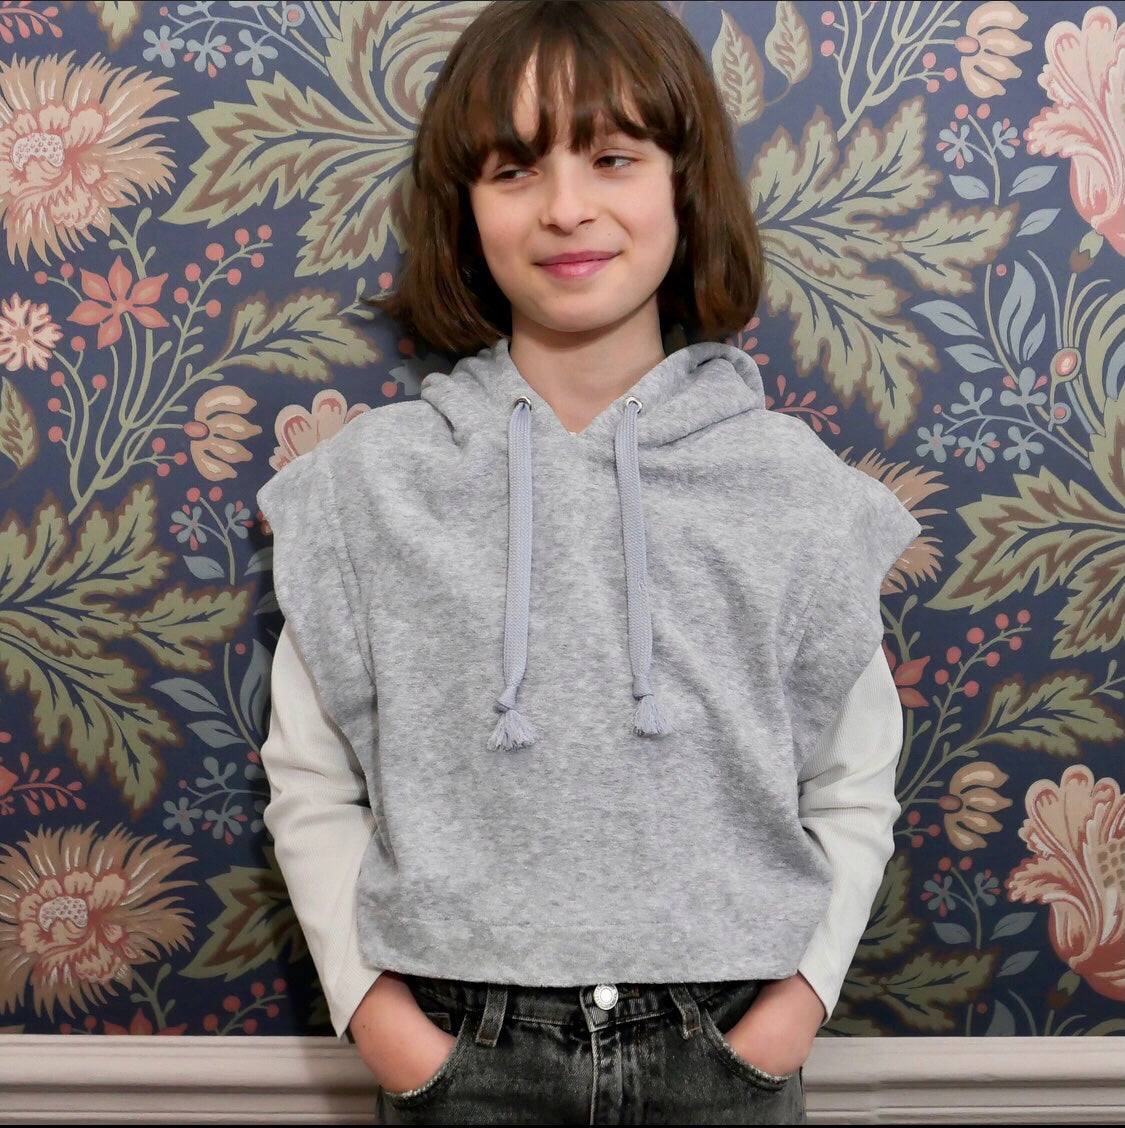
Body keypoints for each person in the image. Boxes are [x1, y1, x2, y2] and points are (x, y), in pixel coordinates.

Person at [256, 1, 921, 1123]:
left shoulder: (793, 490)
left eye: (613, 157)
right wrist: (385, 1027)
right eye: (515, 169)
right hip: (461, 1050)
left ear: (684, 187)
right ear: (465, 210)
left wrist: (792, 1010)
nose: (566, 207)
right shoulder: (369, 489)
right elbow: (311, 779)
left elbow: (853, 781)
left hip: (723, 1047)